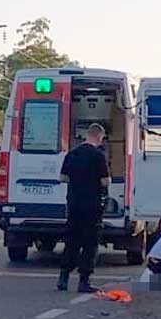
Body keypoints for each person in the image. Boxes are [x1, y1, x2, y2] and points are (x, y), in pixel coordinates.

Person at [57, 123, 110, 293]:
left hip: (74, 204)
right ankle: (83, 280)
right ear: (99, 137)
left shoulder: (72, 154)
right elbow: (105, 181)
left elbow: (63, 178)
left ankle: (63, 277)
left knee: (71, 241)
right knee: (89, 244)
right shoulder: (98, 156)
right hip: (92, 206)